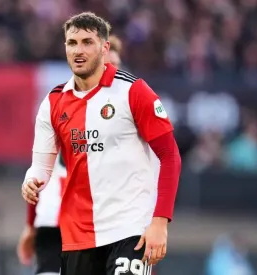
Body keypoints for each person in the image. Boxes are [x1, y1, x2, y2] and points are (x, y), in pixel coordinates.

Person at [21, 12, 181, 275]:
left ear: (104, 48)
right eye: (72, 43)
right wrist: (31, 180)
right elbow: (40, 167)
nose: (78, 50)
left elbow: (170, 156)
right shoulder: (53, 102)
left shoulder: (134, 91)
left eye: (87, 42)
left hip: (130, 229)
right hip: (77, 235)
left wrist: (160, 222)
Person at [17, 35, 126, 275]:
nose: (112, 70)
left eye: (116, 65)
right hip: (59, 220)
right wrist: (30, 225)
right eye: (108, 63)